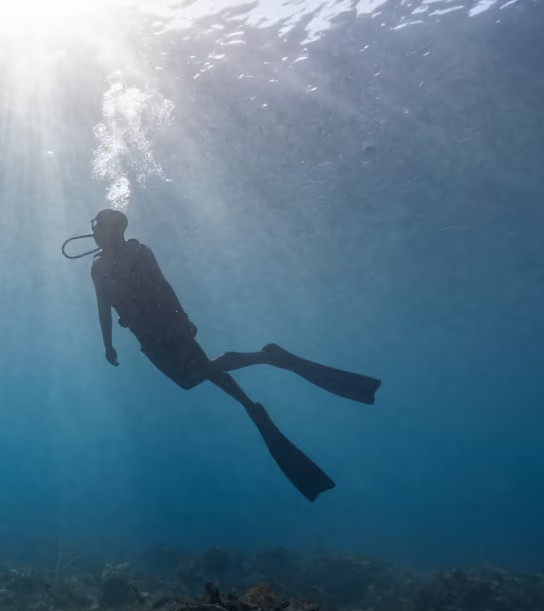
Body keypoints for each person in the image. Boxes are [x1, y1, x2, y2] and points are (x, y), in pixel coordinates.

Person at [62, 209, 382, 501]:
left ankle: (253, 398)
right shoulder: (97, 266)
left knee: (204, 370)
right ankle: (265, 363)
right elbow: (102, 305)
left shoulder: (139, 251)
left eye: (101, 226)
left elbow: (162, 283)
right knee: (190, 380)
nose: (96, 232)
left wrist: (183, 316)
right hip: (146, 335)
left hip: (167, 324)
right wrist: (108, 343)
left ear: (116, 228)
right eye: (95, 227)